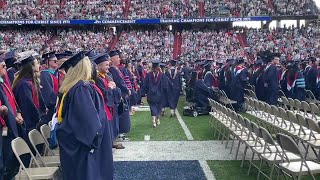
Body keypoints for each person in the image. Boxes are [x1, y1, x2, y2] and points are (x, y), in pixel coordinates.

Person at [56, 52, 113, 180]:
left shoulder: (80, 88)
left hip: (83, 143)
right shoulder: (82, 87)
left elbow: (87, 121)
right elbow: (87, 120)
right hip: (86, 143)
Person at [93, 53, 124, 149]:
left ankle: (110, 141)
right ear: (98, 66)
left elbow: (116, 92)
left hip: (110, 107)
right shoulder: (97, 78)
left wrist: (114, 88)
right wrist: (110, 89)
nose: (108, 67)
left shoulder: (107, 77)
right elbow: (103, 94)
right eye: (106, 65)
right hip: (103, 106)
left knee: (111, 125)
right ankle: (107, 144)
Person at [108, 50, 131, 141]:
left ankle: (121, 133)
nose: (119, 59)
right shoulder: (112, 70)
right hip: (119, 95)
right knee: (121, 116)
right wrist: (127, 90)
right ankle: (120, 134)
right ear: (112, 60)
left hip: (122, 94)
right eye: (117, 58)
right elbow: (120, 83)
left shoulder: (117, 69)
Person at [143, 59, 168, 128]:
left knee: (152, 107)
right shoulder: (162, 75)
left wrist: (144, 93)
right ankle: (157, 118)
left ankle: (154, 121)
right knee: (158, 107)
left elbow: (145, 85)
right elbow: (165, 86)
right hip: (159, 95)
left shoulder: (148, 75)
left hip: (150, 95)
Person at [40, 52, 59, 126]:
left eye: (57, 61)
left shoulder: (53, 74)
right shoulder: (44, 74)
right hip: (51, 109)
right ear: (48, 62)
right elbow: (48, 94)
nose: (57, 62)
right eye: (55, 61)